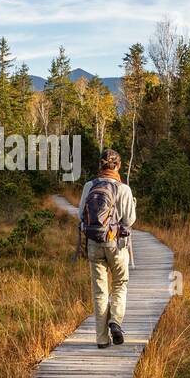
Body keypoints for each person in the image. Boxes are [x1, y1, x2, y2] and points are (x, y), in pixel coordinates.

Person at [78, 148, 137, 348]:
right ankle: (115, 321)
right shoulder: (124, 189)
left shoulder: (89, 186)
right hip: (117, 245)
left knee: (99, 291)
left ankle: (101, 339)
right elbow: (129, 219)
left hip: (94, 244)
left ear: (100, 165)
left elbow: (80, 215)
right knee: (120, 283)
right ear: (118, 166)